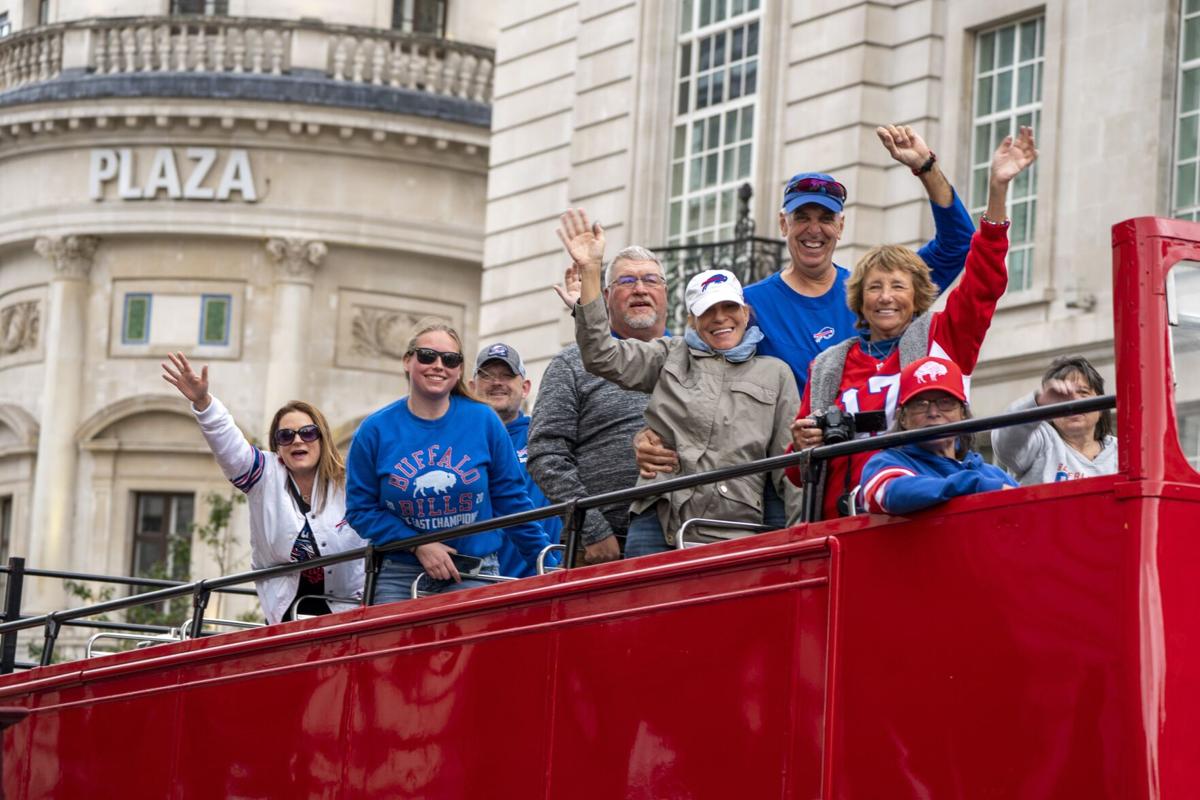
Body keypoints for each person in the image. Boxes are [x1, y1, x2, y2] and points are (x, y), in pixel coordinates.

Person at [635, 125, 976, 479]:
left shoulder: (875, 294)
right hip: (797, 476)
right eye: (803, 218)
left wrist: (925, 167)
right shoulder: (748, 306)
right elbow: (686, 364)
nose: (814, 230)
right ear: (784, 223)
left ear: (841, 227)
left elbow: (959, 243)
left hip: (896, 466)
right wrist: (648, 433)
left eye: (826, 219)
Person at [788, 126, 1038, 521]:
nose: (885, 297)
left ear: (918, 296)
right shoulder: (828, 366)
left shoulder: (942, 339)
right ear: (859, 298)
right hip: (840, 528)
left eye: (897, 286)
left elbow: (984, 281)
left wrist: (998, 191)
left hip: (922, 515)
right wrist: (802, 443)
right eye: (874, 287)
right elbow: (797, 473)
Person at [559, 208, 799, 557]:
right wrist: (593, 272)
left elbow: (788, 465)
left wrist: (799, 537)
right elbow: (600, 354)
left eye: (728, 308)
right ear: (691, 320)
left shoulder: (775, 373)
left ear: (745, 313)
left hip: (737, 527)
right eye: (707, 312)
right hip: (660, 518)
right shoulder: (669, 354)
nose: (720, 319)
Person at [345, 321, 557, 604]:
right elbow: (361, 511)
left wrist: (549, 565)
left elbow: (512, 502)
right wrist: (417, 544)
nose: (438, 365)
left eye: (450, 359)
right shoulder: (374, 431)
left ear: (458, 370)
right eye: (427, 356)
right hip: (400, 576)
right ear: (408, 361)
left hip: (473, 572)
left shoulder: (484, 421)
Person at [161, 352, 366, 625]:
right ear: (277, 445)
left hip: (349, 611)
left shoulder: (350, 482)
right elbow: (229, 445)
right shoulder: (263, 475)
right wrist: (203, 402)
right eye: (286, 435)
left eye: (307, 432)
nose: (297, 440)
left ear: (322, 438)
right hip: (286, 615)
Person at [528, 245, 669, 565]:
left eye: (650, 280)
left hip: (684, 535)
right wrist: (591, 528)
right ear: (605, 296)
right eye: (627, 281)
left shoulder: (692, 359)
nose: (640, 289)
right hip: (601, 548)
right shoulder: (571, 363)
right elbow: (545, 452)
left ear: (666, 293)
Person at [859, 357, 1017, 514]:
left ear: (962, 413)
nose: (933, 413)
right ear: (903, 418)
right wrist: (975, 484)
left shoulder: (992, 474)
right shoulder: (887, 463)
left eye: (946, 403)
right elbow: (891, 494)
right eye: (920, 404)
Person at [469, 341, 563, 578]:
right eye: (487, 376)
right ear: (471, 387)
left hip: (542, 574)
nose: (497, 382)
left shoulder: (546, 435)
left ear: (525, 387)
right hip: (474, 581)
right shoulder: (459, 441)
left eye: (507, 375)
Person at [991, 355, 1118, 485]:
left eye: (1083, 393)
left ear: (1101, 408)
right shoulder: (1040, 441)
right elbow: (1004, 443)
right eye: (1063, 396)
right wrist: (1039, 401)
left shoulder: (1120, 450)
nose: (1074, 401)